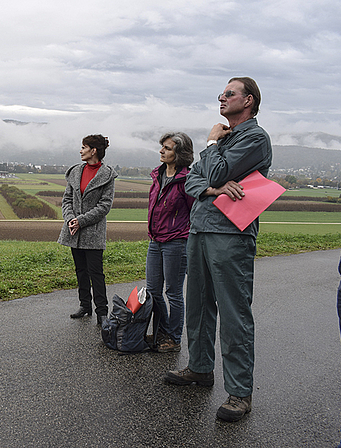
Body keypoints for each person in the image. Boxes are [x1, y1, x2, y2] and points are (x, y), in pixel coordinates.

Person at [164, 77, 272, 422]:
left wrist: (211, 143)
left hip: (231, 233)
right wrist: (213, 189)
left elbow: (215, 168)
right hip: (200, 228)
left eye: (229, 94)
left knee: (233, 312)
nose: (221, 98)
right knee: (196, 304)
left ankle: (240, 393)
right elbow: (193, 181)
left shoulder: (255, 138)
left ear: (249, 101)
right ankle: (199, 368)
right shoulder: (226, 139)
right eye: (221, 93)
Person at [58, 134, 118, 325]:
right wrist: (70, 219)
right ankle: (85, 306)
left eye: (84, 147)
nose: (80, 150)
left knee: (96, 272)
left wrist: (81, 220)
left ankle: (102, 312)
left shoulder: (107, 175)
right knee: (80, 270)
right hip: (73, 230)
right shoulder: (75, 171)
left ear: (93, 150)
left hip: (93, 231)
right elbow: (67, 199)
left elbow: (104, 206)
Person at [145, 132, 195, 353]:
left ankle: (173, 338)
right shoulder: (157, 175)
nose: (162, 151)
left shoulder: (187, 180)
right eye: (162, 147)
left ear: (180, 153)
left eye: (167, 148)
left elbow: (195, 212)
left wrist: (184, 232)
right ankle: (160, 332)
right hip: (155, 241)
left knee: (173, 293)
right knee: (154, 291)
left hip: (176, 242)